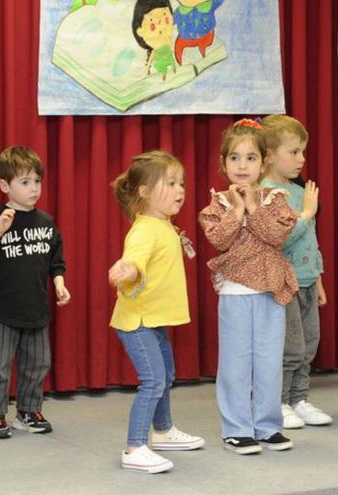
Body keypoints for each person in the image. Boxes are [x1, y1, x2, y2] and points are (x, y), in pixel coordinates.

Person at [199, 118, 298, 454]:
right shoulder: (217, 206)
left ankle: (268, 427)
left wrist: (253, 208)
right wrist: (237, 209)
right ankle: (237, 428)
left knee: (269, 361)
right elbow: (220, 240)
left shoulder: (277, 200)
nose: (242, 165)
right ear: (223, 163)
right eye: (234, 158)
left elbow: (276, 236)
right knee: (236, 363)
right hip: (235, 294)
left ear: (264, 162)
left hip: (271, 293)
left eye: (251, 158)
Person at [108, 150, 205, 474]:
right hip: (137, 323)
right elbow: (135, 259)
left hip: (153, 321)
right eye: (171, 183)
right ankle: (135, 446)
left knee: (167, 376)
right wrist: (128, 270)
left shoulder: (164, 225)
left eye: (182, 183)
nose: (180, 190)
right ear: (144, 192)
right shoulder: (145, 230)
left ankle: (162, 431)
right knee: (153, 380)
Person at [0, 146, 71, 439]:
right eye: (25, 182)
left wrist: (59, 283)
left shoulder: (46, 221)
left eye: (37, 181)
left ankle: (28, 411)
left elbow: (56, 259)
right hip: (4, 310)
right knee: (0, 366)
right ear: (5, 185)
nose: (34, 188)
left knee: (38, 363)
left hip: (37, 308)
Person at [259, 114, 332, 430]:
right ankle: (280, 401)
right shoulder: (267, 193)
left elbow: (311, 241)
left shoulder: (301, 190)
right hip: (282, 283)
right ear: (270, 155)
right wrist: (305, 213)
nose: (302, 159)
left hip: (306, 281)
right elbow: (281, 239)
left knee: (309, 344)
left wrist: (318, 279)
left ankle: (300, 398)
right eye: (293, 152)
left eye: (303, 151)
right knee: (289, 347)